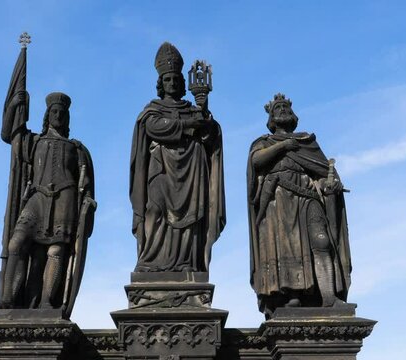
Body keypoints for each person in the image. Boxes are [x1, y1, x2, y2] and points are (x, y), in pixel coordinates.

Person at [0, 91, 95, 317]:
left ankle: (47, 303)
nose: (58, 115)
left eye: (62, 113)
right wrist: (15, 104)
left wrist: (87, 204)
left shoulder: (77, 148)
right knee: (16, 244)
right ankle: (7, 299)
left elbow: (87, 185)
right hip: (37, 198)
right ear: (47, 114)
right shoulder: (33, 141)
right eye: (54, 111)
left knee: (55, 250)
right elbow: (9, 134)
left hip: (65, 198)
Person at [247, 93, 351, 318]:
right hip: (280, 203)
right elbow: (256, 161)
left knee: (322, 242)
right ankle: (292, 295)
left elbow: (322, 173)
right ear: (271, 118)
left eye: (285, 108)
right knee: (288, 248)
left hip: (308, 198)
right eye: (278, 109)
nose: (282, 111)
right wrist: (284, 146)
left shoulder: (307, 142)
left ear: (293, 115)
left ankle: (329, 296)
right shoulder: (263, 143)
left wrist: (329, 184)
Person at [129, 42, 225, 273]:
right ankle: (152, 261)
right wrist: (187, 124)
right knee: (154, 209)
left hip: (191, 171)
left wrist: (203, 111)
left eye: (175, 79)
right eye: (167, 80)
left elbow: (209, 135)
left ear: (183, 83)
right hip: (161, 168)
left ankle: (186, 263)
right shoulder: (152, 110)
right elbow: (153, 128)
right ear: (160, 83)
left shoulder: (192, 110)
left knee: (191, 218)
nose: (171, 83)